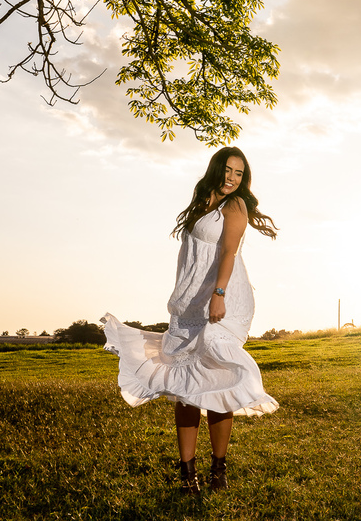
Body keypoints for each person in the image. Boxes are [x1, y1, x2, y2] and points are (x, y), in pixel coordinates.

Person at [102, 146, 279, 495]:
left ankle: (218, 471)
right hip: (189, 303)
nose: (232, 178)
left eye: (239, 174)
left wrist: (220, 294)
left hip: (222, 301)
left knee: (217, 380)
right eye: (228, 170)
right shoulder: (203, 203)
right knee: (184, 389)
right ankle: (187, 475)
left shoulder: (235, 205)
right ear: (217, 170)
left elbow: (228, 252)